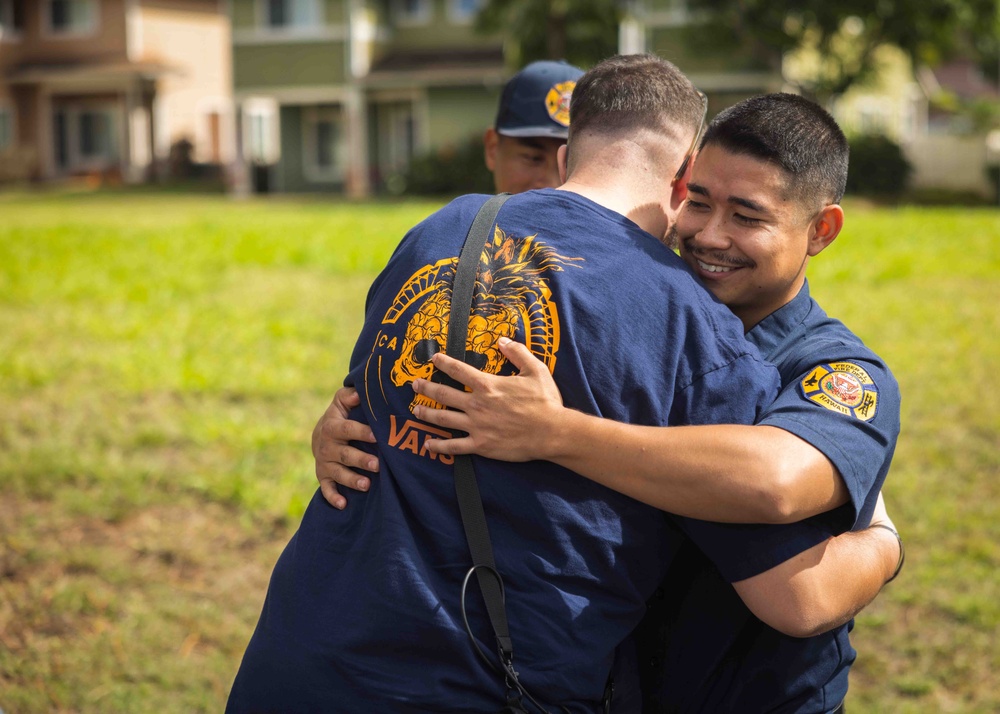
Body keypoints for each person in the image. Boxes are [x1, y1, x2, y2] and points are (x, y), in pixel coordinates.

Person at [228, 54, 789, 713]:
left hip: (305, 653)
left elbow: (360, 412)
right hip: (486, 686)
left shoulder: (439, 231)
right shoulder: (695, 326)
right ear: (685, 174)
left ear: (566, 155)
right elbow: (785, 581)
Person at [316, 94, 903, 712]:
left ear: (821, 230)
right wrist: (358, 423)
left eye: (747, 217)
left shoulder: (835, 370)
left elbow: (778, 490)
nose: (708, 235)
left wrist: (884, 542)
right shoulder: (637, 323)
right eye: (697, 201)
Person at [486, 60, 584, 195]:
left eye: (570, 164)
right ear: (492, 148)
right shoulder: (460, 215)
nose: (552, 185)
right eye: (533, 158)